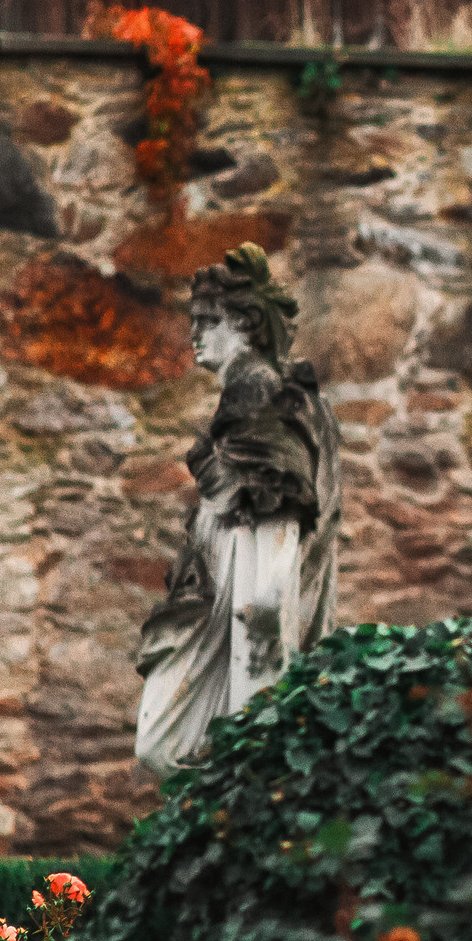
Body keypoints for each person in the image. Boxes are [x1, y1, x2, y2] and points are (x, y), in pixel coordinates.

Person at [133, 244, 343, 775]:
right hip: (218, 590)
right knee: (179, 748)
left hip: (243, 599)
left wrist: (268, 607)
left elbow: (279, 515)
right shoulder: (256, 397)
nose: (195, 334)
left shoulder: (264, 397)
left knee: (169, 745)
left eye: (209, 321)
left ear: (246, 325)